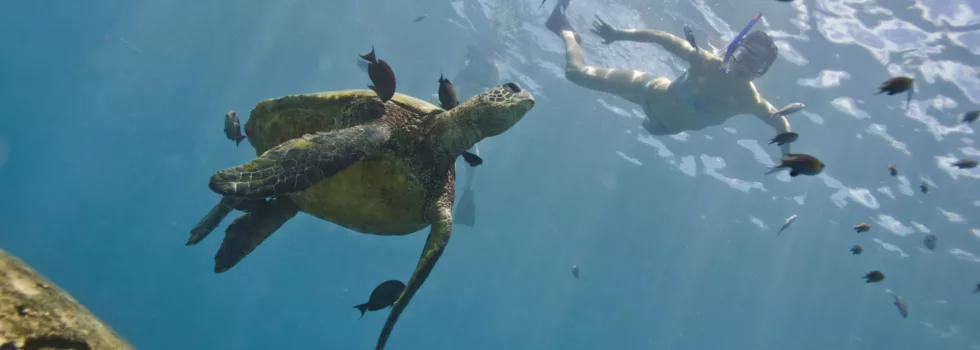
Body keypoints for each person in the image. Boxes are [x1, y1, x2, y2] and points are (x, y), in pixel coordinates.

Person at [545, 0, 795, 154]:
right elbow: (662, 38)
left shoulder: (750, 101)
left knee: (647, 128)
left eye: (757, 65)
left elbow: (781, 123)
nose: (746, 68)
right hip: (644, 90)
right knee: (575, 74)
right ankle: (567, 33)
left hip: (660, 128)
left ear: (763, 72)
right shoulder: (706, 62)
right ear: (733, 52)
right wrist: (617, 34)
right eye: (744, 56)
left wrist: (787, 155)